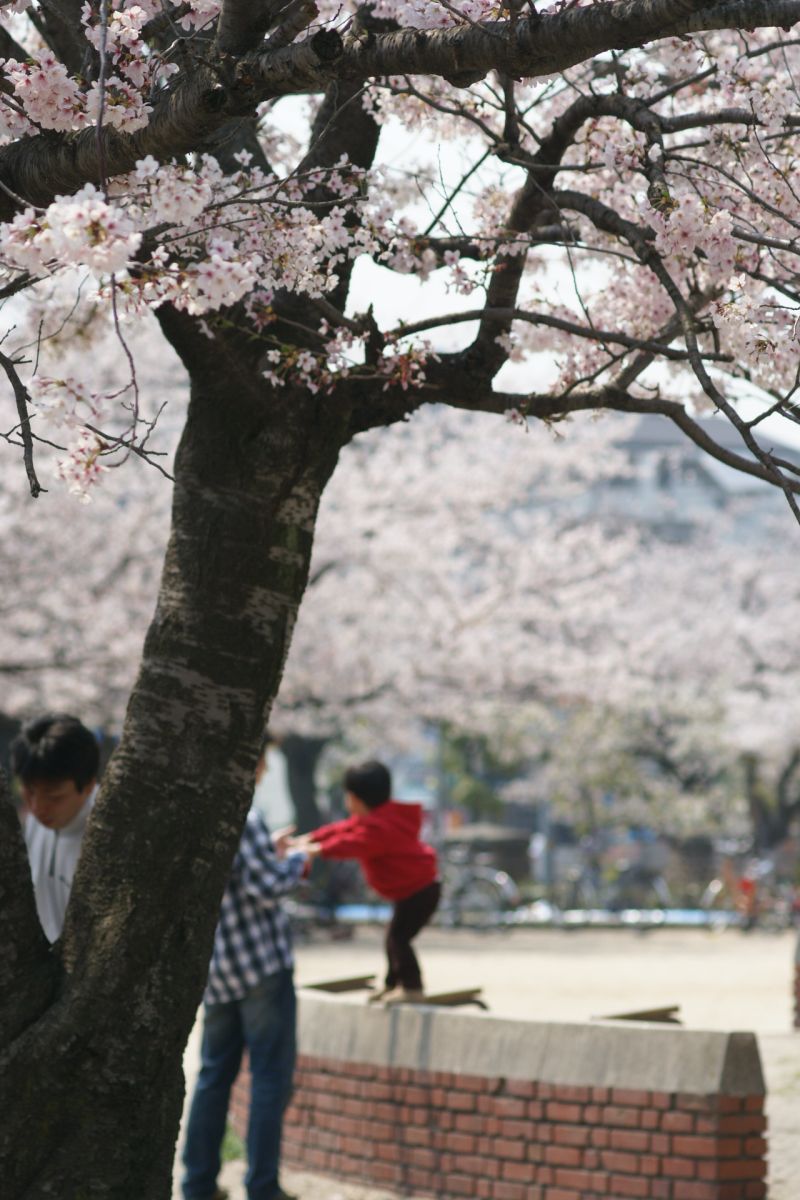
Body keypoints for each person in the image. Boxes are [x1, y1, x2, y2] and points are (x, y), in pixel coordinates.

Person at [182, 744, 308, 1200]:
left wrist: (269, 852)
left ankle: (197, 1183)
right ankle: (262, 1185)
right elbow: (267, 885)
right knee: (270, 1077)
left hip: (217, 972)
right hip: (261, 968)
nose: (267, 769)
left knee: (214, 1076)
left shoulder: (195, 817)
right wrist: (299, 860)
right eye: (263, 760)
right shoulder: (243, 817)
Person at [297, 759, 439, 1005]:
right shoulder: (378, 819)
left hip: (420, 891)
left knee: (398, 938)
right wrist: (309, 839)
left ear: (354, 798)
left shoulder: (377, 829)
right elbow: (342, 830)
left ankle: (412, 987)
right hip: (416, 889)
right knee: (394, 937)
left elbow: (350, 843)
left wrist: (318, 849)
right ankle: (393, 985)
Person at [11, 712, 99, 943]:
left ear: (89, 786)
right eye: (29, 791)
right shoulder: (35, 821)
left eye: (54, 796)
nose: (38, 807)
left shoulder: (106, 835)